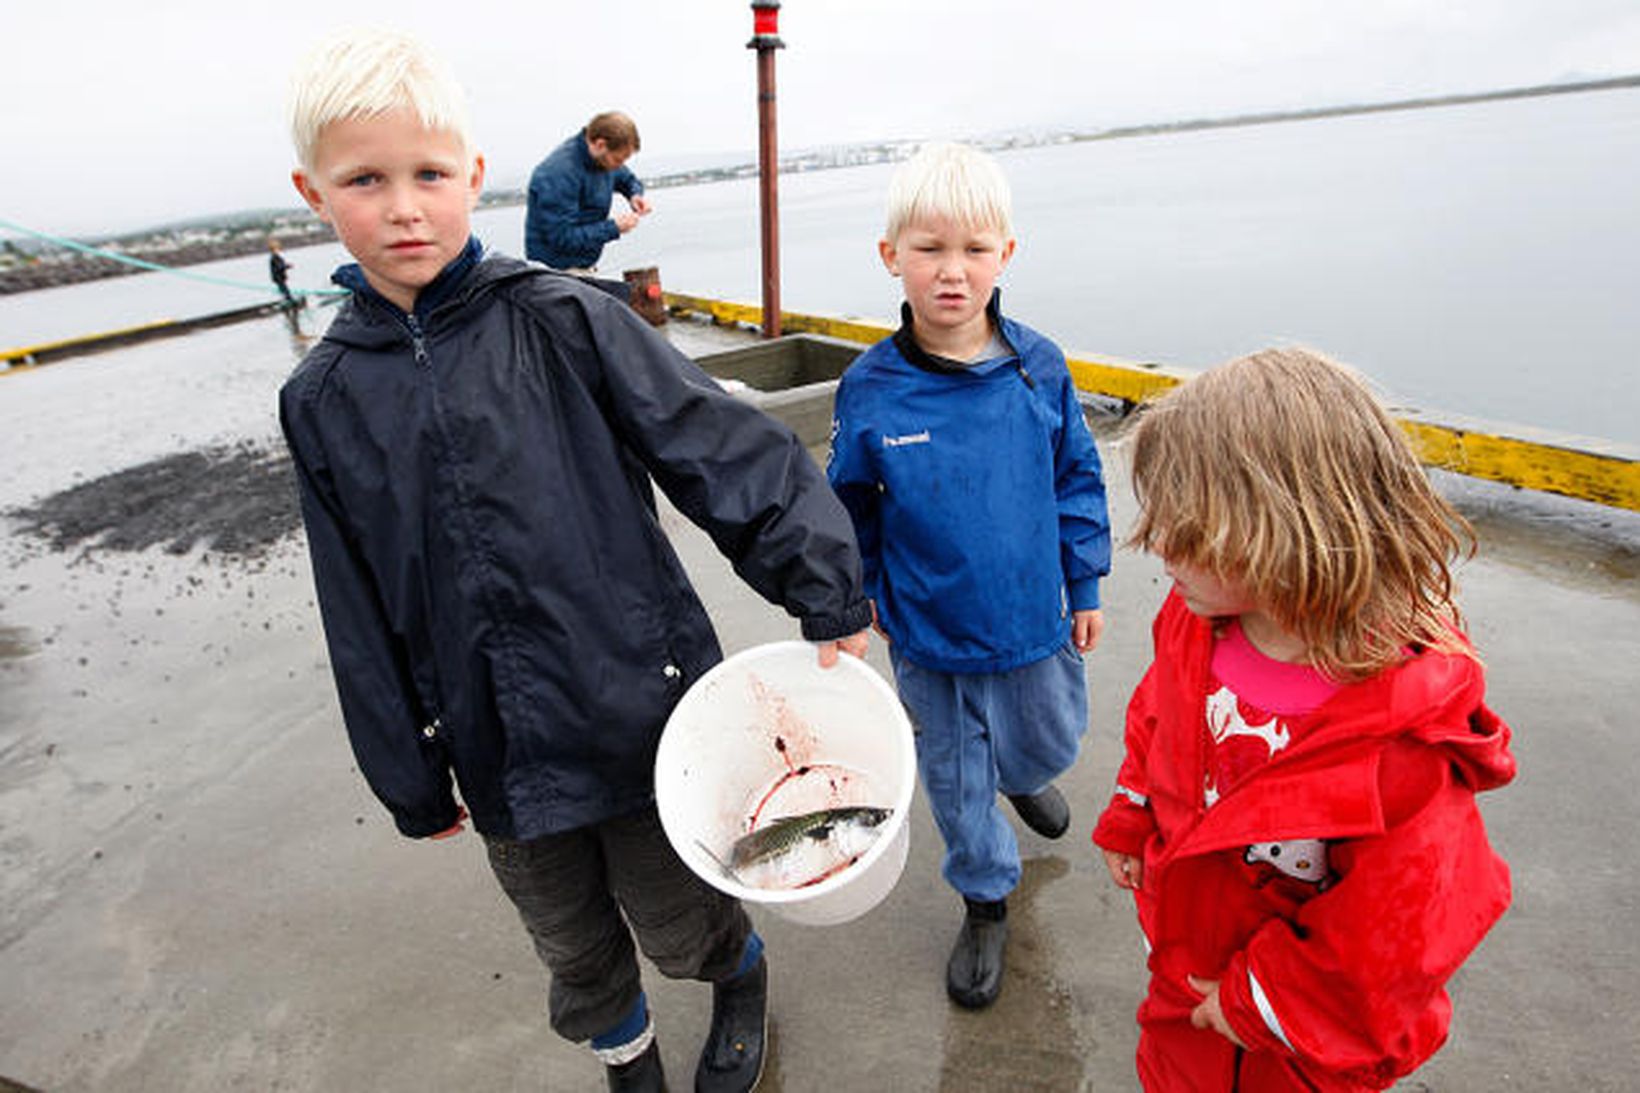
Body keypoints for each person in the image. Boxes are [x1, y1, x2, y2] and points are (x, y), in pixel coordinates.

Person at [278, 30, 872, 1093]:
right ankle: (625, 1058)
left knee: (678, 913)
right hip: (492, 742)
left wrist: (821, 585)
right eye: (365, 180)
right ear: (314, 193)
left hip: (639, 710)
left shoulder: (560, 316)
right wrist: (408, 772)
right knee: (573, 949)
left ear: (472, 175)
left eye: (426, 174)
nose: (403, 207)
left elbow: (715, 445)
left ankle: (733, 974)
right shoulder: (320, 397)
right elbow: (352, 602)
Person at [1092, 347, 1516, 1091]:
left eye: (1186, 528)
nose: (1158, 546)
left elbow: (1406, 927)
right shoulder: (1198, 622)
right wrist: (1133, 813)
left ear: (1284, 529)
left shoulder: (1407, 735)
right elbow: (1157, 719)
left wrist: (1258, 999)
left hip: (1299, 1036)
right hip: (1187, 963)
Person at [826, 142, 1111, 1010]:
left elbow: (1077, 476)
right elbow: (849, 505)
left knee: (1043, 740)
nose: (953, 272)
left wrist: (1085, 579)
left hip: (1030, 617)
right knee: (954, 779)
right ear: (891, 256)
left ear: (1006, 255)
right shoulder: (870, 388)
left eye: (974, 249)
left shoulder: (1040, 366)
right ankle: (985, 896)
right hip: (928, 632)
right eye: (929, 248)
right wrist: (859, 586)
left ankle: (1024, 773)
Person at [524, 111, 651, 272]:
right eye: (618, 160)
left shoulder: (604, 159)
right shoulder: (558, 173)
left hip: (585, 266)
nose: (620, 165)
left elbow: (627, 179)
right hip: (554, 272)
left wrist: (634, 194)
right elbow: (562, 238)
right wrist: (614, 227)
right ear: (600, 145)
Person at [267, 237, 296, 306]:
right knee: (284, 290)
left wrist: (286, 266)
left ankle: (288, 299)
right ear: (273, 250)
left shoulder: (277, 257)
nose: (278, 250)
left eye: (278, 248)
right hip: (278, 278)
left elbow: (281, 266)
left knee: (284, 290)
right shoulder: (274, 258)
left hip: (280, 277)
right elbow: (279, 267)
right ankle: (289, 300)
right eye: (276, 249)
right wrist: (287, 266)